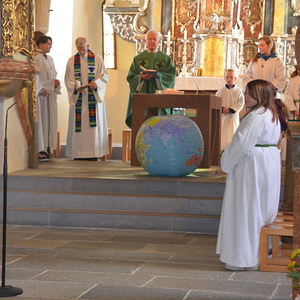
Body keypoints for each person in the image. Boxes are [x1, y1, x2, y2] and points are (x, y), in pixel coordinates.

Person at [216, 79, 288, 271]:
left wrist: (226, 162)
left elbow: (241, 143)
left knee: (247, 208)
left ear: (261, 96)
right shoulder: (271, 113)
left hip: (252, 165)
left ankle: (244, 258)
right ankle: (262, 253)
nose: (245, 97)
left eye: (249, 94)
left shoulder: (256, 116)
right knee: (263, 208)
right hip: (267, 162)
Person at [64, 37, 109, 160]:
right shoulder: (71, 61)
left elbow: (104, 76)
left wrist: (97, 84)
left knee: (92, 128)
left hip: (92, 100)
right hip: (79, 98)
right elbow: (67, 79)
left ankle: (93, 153)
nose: (81, 52)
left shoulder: (97, 59)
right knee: (79, 128)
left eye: (83, 49)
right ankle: (78, 154)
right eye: (79, 50)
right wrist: (75, 86)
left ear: (88, 46)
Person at [125, 30, 176, 128]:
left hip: (159, 97)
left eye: (154, 39)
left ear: (159, 42)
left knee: (159, 125)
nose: (152, 41)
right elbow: (131, 77)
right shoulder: (138, 58)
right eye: (149, 39)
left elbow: (171, 75)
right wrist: (140, 77)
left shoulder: (165, 58)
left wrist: (158, 76)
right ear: (145, 41)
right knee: (142, 125)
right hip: (142, 97)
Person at [34, 35, 61, 161]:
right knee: (44, 121)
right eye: (48, 44)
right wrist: (51, 84)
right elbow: (38, 79)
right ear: (40, 45)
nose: (50, 46)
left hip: (50, 95)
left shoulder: (49, 58)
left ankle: (47, 147)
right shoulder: (37, 58)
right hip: (43, 96)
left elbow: (52, 74)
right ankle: (42, 148)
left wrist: (55, 83)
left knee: (50, 121)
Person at [216, 69, 244, 150]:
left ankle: (233, 149)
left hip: (233, 116)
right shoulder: (221, 90)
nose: (229, 79)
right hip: (224, 116)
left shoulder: (238, 91)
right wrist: (222, 108)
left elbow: (241, 102)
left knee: (233, 131)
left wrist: (232, 109)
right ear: (224, 78)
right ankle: (222, 149)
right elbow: (217, 100)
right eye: (227, 77)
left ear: (235, 78)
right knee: (223, 132)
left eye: (231, 77)